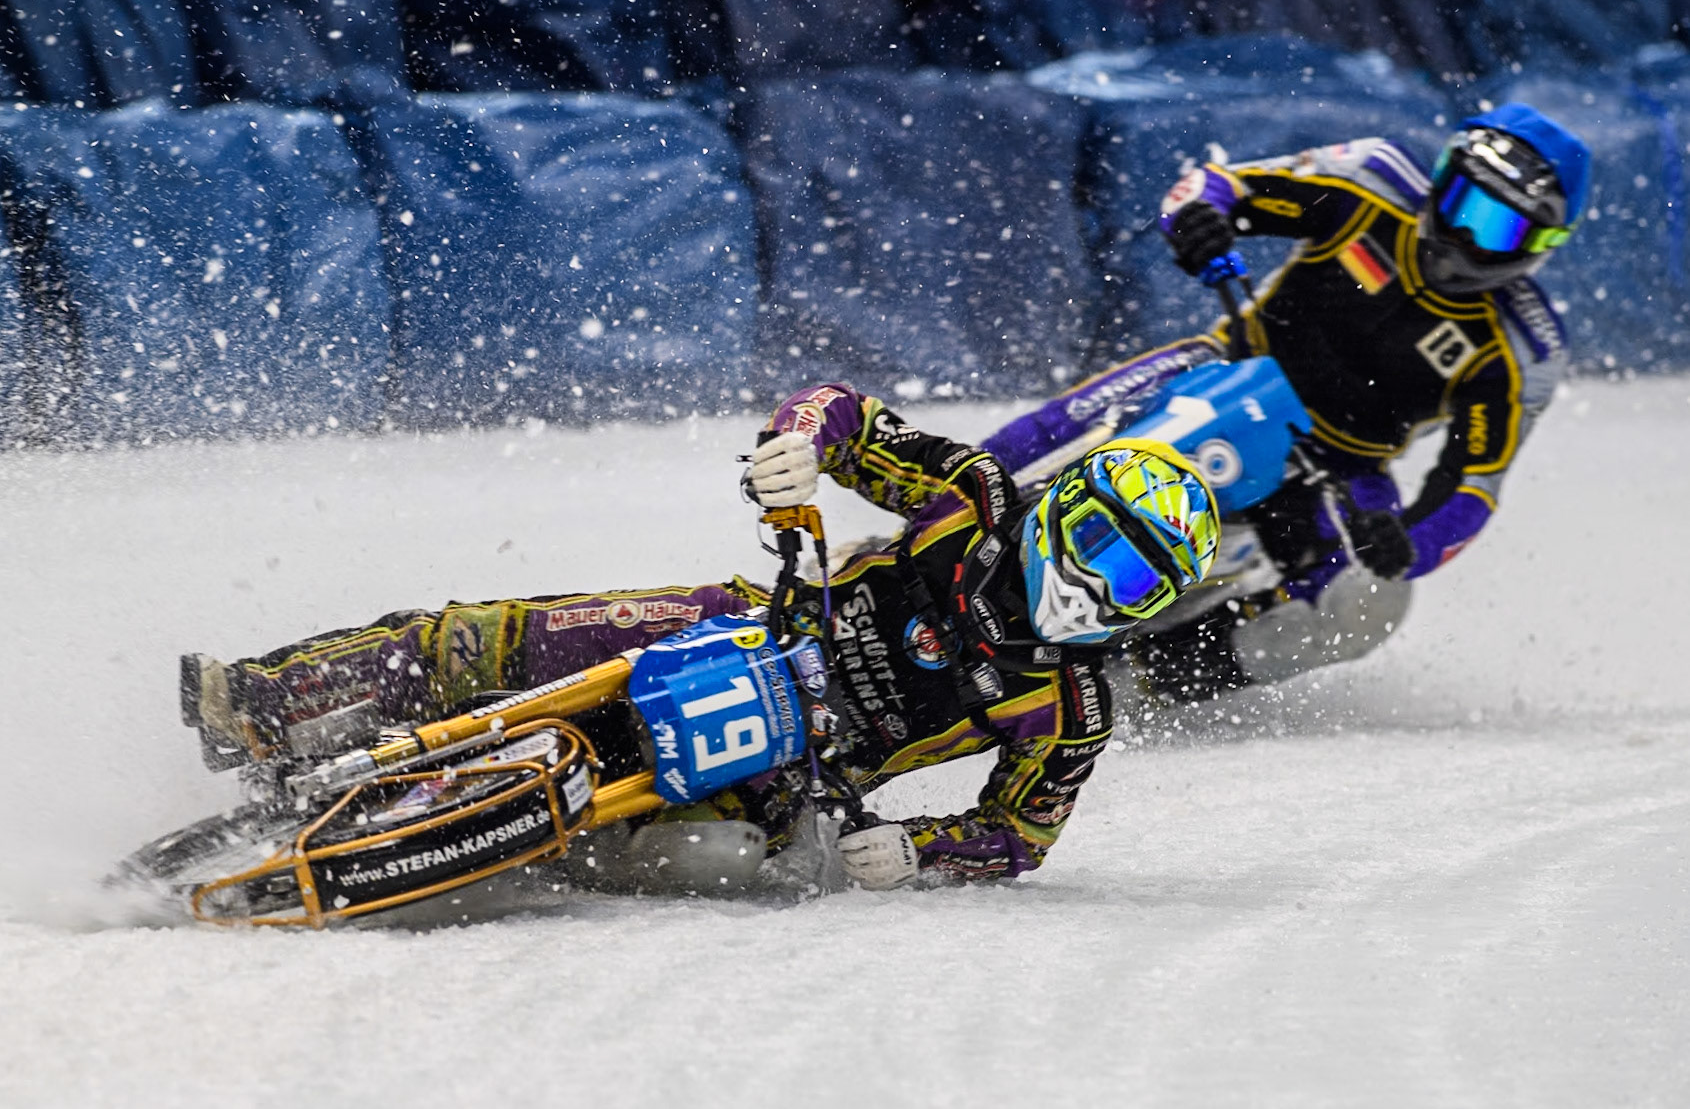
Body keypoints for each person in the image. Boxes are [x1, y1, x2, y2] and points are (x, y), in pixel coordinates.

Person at [181, 383, 1219, 889]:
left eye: (1134, 583)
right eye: (1100, 547)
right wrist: (800, 448)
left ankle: (462, 862)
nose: (1097, 585)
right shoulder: (972, 496)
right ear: (1062, 508)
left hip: (800, 768)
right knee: (489, 639)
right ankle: (265, 703)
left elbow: (1019, 834)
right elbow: (846, 413)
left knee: (704, 863)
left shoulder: (1072, 709)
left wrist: (917, 846)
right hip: (743, 626)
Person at [978, 102, 1590, 703]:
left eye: (1496, 227)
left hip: (1339, 468)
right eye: (1462, 204)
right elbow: (1220, 186)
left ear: (1539, 245)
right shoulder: (1373, 179)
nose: (1462, 236)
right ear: (1441, 178)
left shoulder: (1523, 346)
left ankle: (1146, 678)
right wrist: (1201, 221)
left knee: (1373, 599)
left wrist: (1408, 542)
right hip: (1230, 361)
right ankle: (943, 506)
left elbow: (1475, 486)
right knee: (1071, 422)